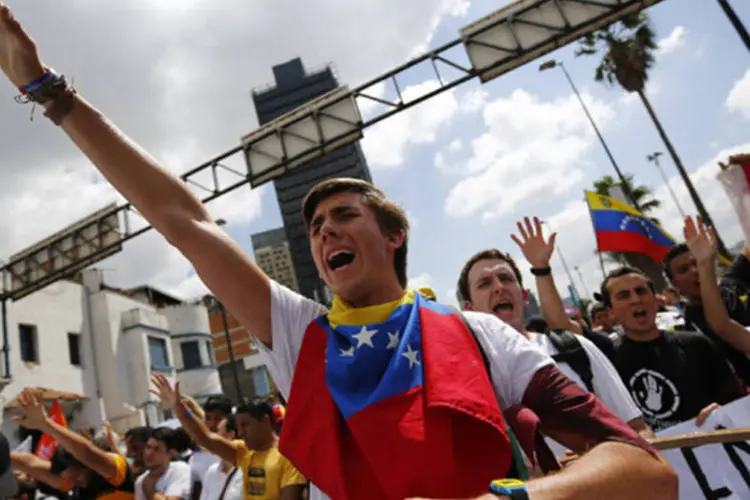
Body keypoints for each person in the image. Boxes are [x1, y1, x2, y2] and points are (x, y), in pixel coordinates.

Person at [0, 6, 677, 498]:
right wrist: (47, 91)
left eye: (344, 216)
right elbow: (180, 219)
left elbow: (644, 468)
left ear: (393, 236)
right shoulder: (300, 335)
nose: (324, 232)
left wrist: (514, 498)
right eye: (315, 225)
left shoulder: (481, 338)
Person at [457, 219, 651, 449]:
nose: (499, 287)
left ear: (524, 296)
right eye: (485, 284)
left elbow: (638, 428)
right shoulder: (468, 381)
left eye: (506, 278)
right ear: (469, 310)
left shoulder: (573, 348)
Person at [599, 266, 748, 431]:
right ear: (611, 312)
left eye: (641, 291)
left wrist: (723, 410)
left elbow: (738, 399)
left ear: (656, 300)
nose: (636, 300)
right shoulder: (608, 364)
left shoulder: (696, 344)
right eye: (624, 296)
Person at [150, 374, 306, 500]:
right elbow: (206, 439)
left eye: (246, 425)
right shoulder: (244, 451)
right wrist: (178, 407)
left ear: (265, 420)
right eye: (238, 426)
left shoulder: (289, 456)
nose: (241, 432)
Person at [663, 215, 750, 384]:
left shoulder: (733, 284)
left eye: (697, 263)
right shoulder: (687, 332)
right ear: (675, 285)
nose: (695, 271)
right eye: (684, 270)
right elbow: (722, 326)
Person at [10, 389, 135, 498]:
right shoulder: (71, 482)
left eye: (77, 475)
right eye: (71, 478)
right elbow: (30, 463)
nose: (73, 482)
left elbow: (87, 452)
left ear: (83, 465)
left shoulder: (114, 471)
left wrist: (46, 425)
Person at [135, 428, 192, 500]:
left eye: (157, 449)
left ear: (170, 453)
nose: (149, 453)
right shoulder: (140, 481)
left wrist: (149, 489)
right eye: (148, 447)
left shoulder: (180, 469)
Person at [198, 416, 242, 500]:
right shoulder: (212, 471)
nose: (212, 436)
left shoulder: (247, 470)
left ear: (231, 435)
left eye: (217, 431)